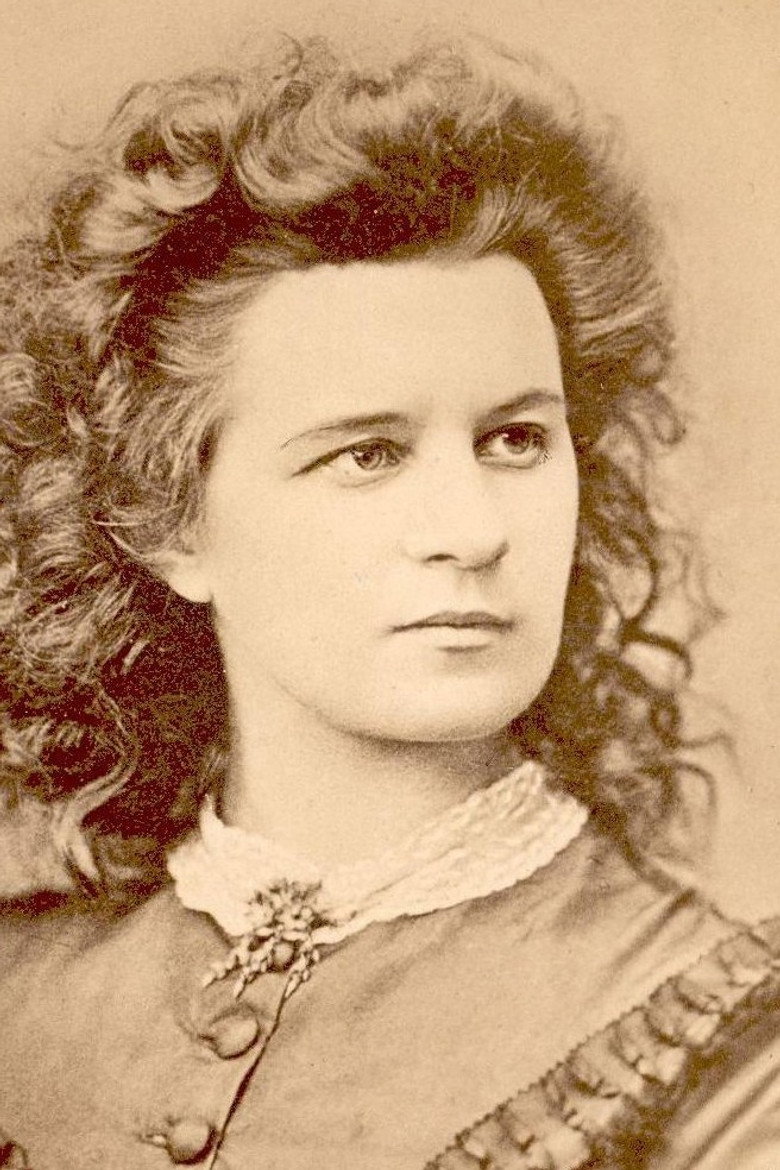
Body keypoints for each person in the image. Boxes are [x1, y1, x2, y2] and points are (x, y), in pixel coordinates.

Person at [0, 33, 777, 1170]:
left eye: (516, 440)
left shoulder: (729, 1056)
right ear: (170, 524)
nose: (473, 531)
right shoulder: (23, 999)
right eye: (367, 455)